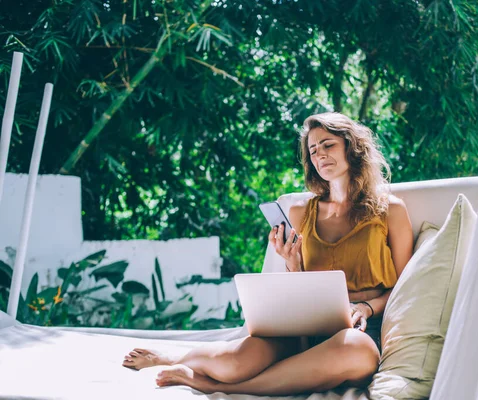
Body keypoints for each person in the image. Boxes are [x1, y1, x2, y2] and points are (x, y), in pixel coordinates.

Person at [122, 112, 414, 395]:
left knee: (355, 348)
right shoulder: (301, 212)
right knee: (234, 362)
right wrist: (292, 261)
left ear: (352, 148)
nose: (320, 155)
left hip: (360, 329)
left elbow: (404, 287)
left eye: (328, 145)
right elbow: (299, 284)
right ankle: (176, 357)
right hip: (304, 325)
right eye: (313, 150)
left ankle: (213, 386)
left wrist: (366, 307)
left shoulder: (390, 210)